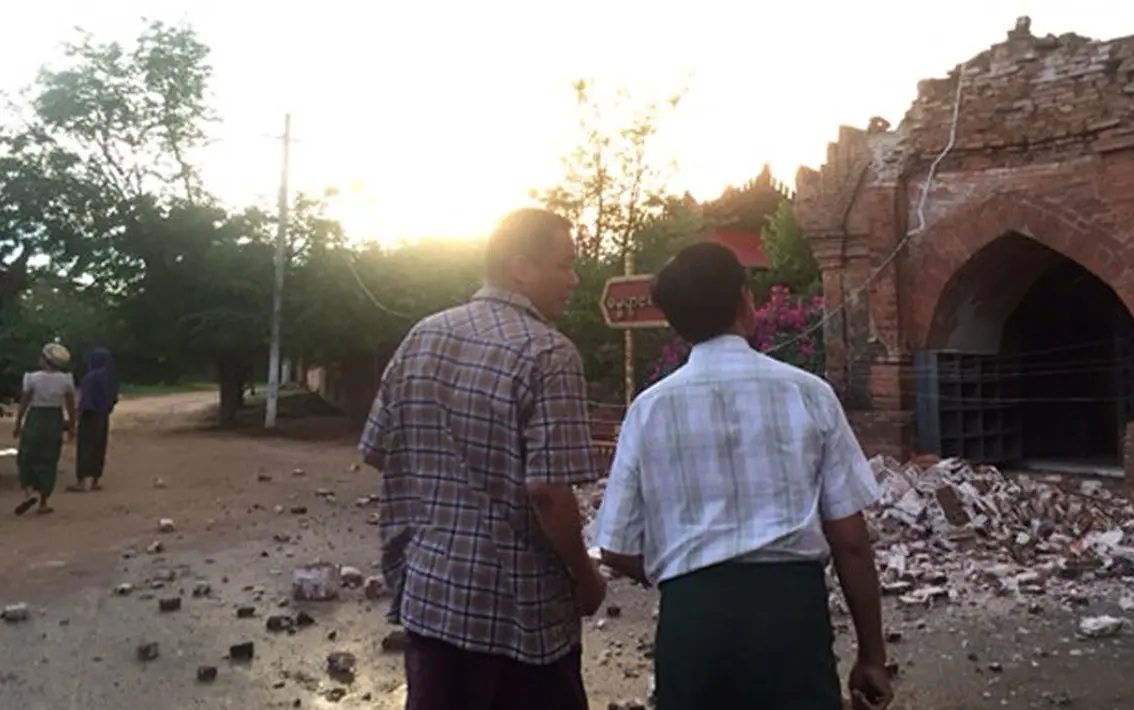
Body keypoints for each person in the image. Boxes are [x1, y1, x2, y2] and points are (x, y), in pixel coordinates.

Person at [591, 242, 894, 710]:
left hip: (692, 622)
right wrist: (872, 654)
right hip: (791, 616)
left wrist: (686, 572)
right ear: (744, 302)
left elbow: (616, 547)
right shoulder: (808, 394)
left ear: (675, 322)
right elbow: (851, 540)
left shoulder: (648, 410)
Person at [359, 207, 606, 710]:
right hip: (521, 617)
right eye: (564, 265)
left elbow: (381, 450)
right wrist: (585, 577)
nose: (575, 279)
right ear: (521, 267)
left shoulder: (422, 336)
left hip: (429, 598)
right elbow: (547, 492)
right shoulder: (549, 354)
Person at [13, 343, 77, 516]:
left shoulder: (32, 378)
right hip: (54, 420)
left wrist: (18, 423)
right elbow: (71, 407)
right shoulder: (66, 380)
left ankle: (28, 492)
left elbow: (24, 402)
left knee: (27, 455)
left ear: (45, 359)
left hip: (35, 418)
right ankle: (43, 502)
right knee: (48, 459)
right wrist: (72, 426)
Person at [67, 347, 118, 492]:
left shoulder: (90, 378)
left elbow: (85, 401)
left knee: (85, 447)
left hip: (90, 416)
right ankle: (95, 480)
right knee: (99, 447)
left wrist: (75, 418)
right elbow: (113, 399)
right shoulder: (110, 378)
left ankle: (82, 481)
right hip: (103, 416)